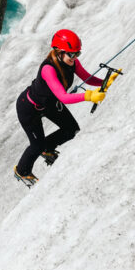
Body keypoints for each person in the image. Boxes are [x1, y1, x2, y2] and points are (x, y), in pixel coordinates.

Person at [14, 29, 120, 186]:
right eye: (71, 54)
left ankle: (47, 148)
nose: (75, 57)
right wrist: (89, 96)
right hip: (29, 108)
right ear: (58, 52)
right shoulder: (48, 69)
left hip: (49, 104)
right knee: (37, 145)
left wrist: (104, 81)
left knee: (71, 129)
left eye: (77, 53)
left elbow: (86, 77)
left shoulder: (72, 62)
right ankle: (22, 171)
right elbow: (64, 97)